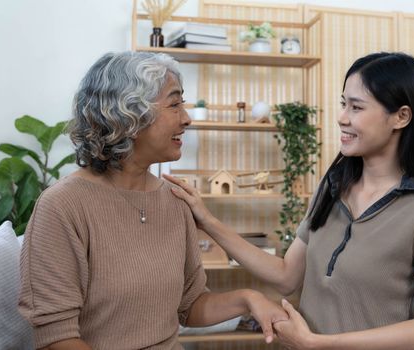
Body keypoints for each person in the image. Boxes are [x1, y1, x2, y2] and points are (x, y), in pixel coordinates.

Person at [166, 52, 414, 349]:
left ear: (401, 116)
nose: (342, 117)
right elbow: (286, 276)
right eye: (343, 103)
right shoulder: (332, 186)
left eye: (357, 107)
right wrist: (209, 222)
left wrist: (319, 343)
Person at [18, 51, 287, 350]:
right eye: (174, 104)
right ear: (128, 115)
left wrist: (249, 298)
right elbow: (57, 340)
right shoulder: (61, 207)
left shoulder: (175, 200)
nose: (186, 119)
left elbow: (190, 305)